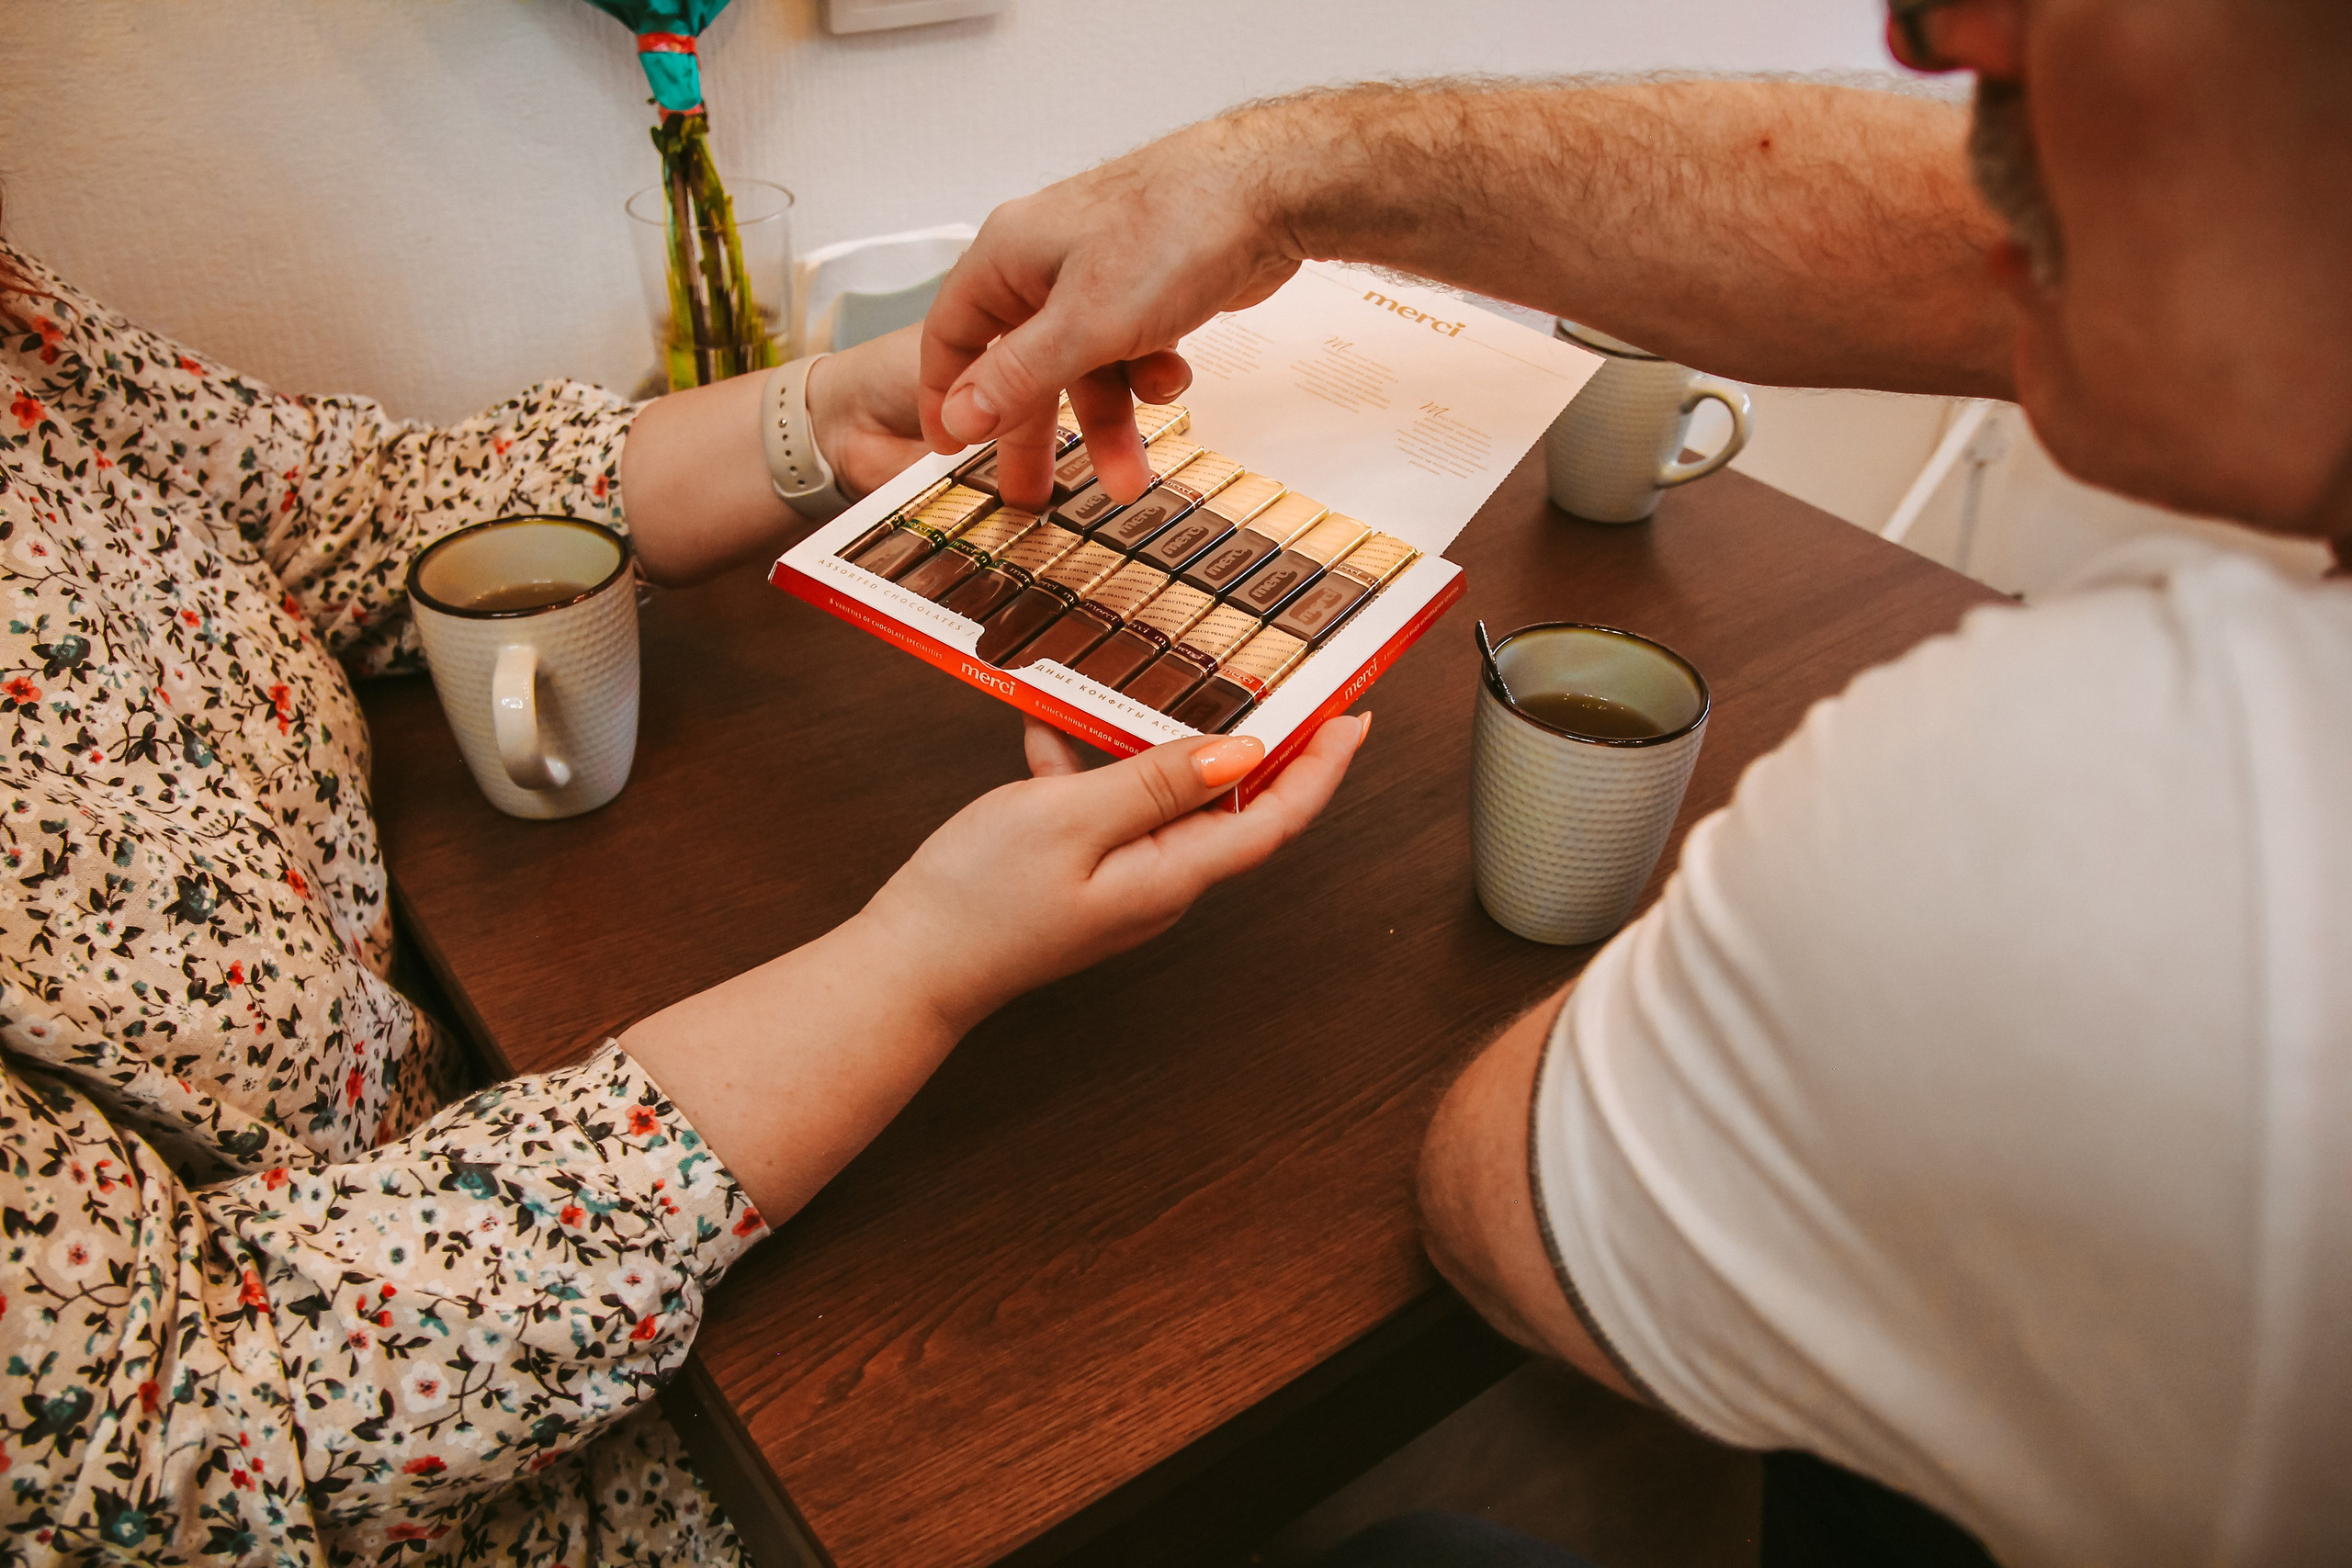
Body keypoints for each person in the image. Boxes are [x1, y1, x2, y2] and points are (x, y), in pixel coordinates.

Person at [915, 0, 2352, 1564]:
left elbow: (1500, 1211)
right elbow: (2000, 225)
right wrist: (1273, 174)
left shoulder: (2152, 809)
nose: (1928, 34)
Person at [0, 235, 1365, 1565]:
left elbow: (340, 508)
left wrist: (825, 410)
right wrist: (924, 960)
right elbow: (181, 1442)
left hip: (517, 1108)